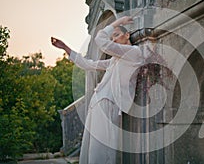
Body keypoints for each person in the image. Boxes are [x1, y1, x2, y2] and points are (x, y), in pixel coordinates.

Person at [51, 16, 147, 164]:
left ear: (127, 35)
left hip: (108, 103)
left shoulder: (134, 52)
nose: (113, 40)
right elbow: (88, 64)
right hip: (97, 103)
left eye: (116, 35)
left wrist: (118, 22)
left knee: (102, 152)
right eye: (112, 36)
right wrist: (65, 48)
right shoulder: (115, 60)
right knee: (91, 150)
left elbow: (101, 41)